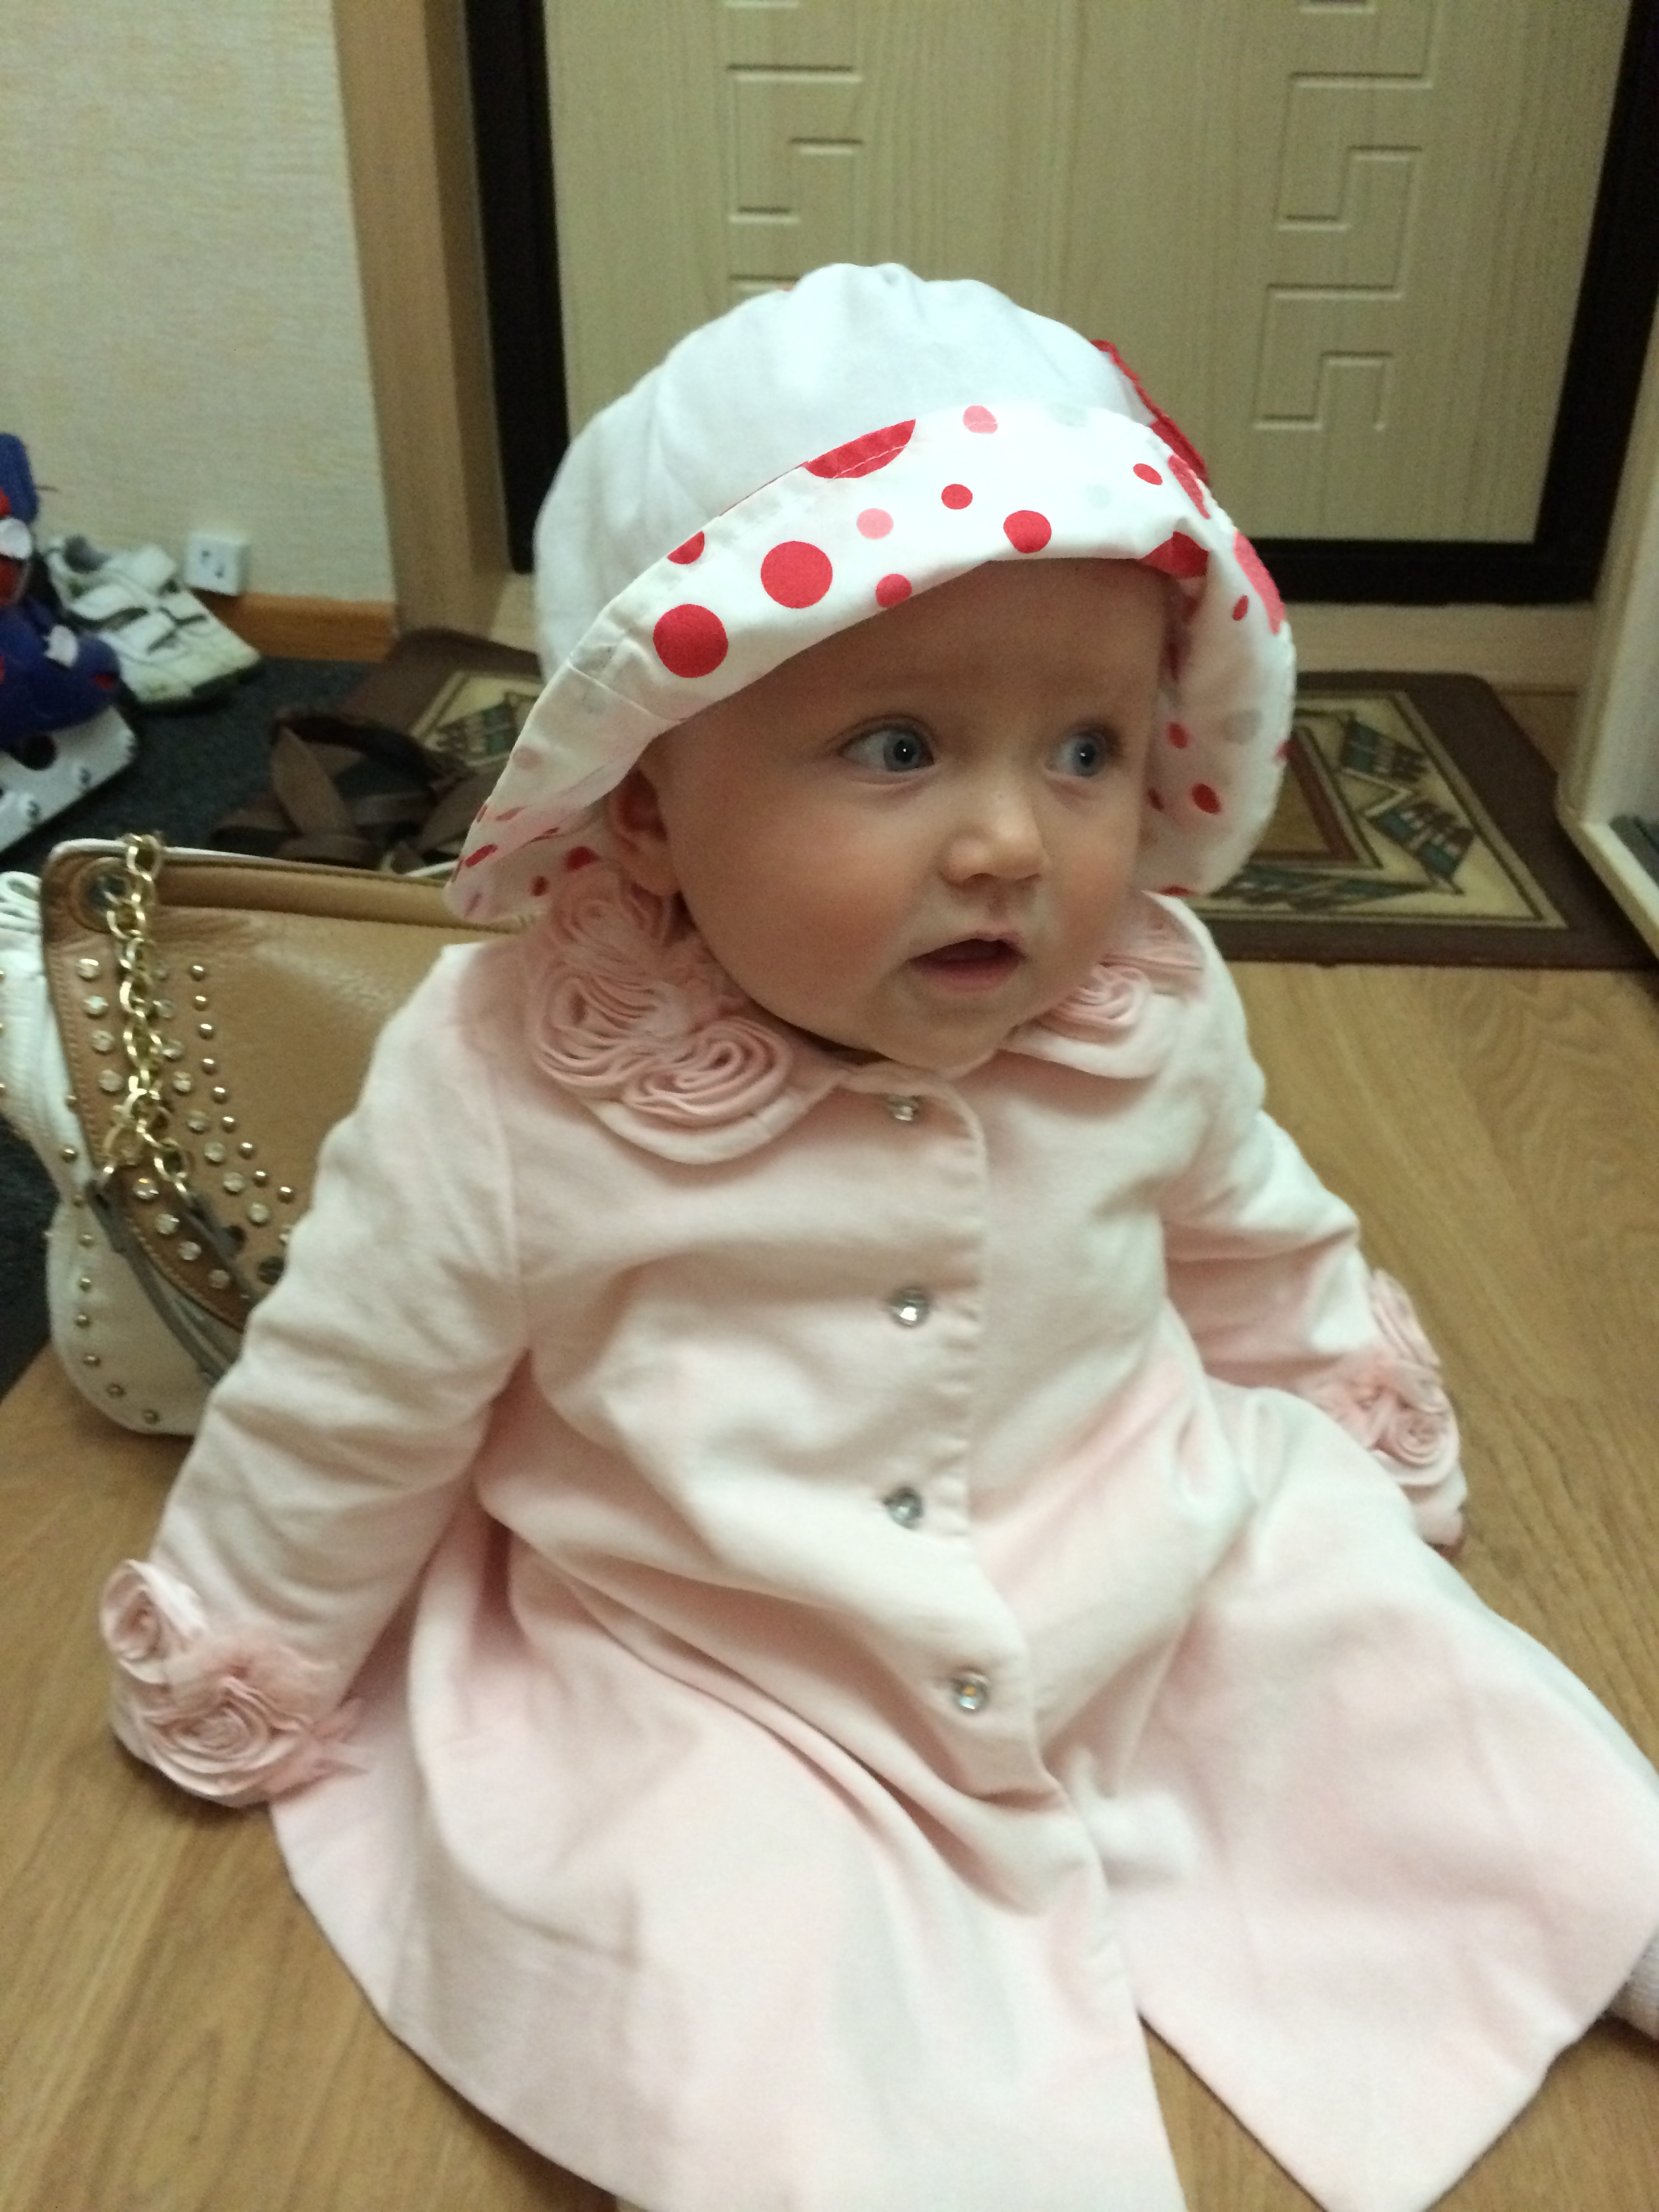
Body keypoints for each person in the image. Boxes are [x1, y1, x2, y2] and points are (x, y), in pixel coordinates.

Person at [98, 264, 1659, 2212]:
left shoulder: (1141, 999)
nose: (1012, 841)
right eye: (900, 749)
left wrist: (1353, 1425)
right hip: (716, 1637)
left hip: (1146, 1533)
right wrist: (249, 1643)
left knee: (1400, 1671)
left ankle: (1612, 1896)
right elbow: (357, 1391)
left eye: (1083, 751)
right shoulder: (518, 1073)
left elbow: (1251, 1235)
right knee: (734, 1971)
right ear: (645, 807)